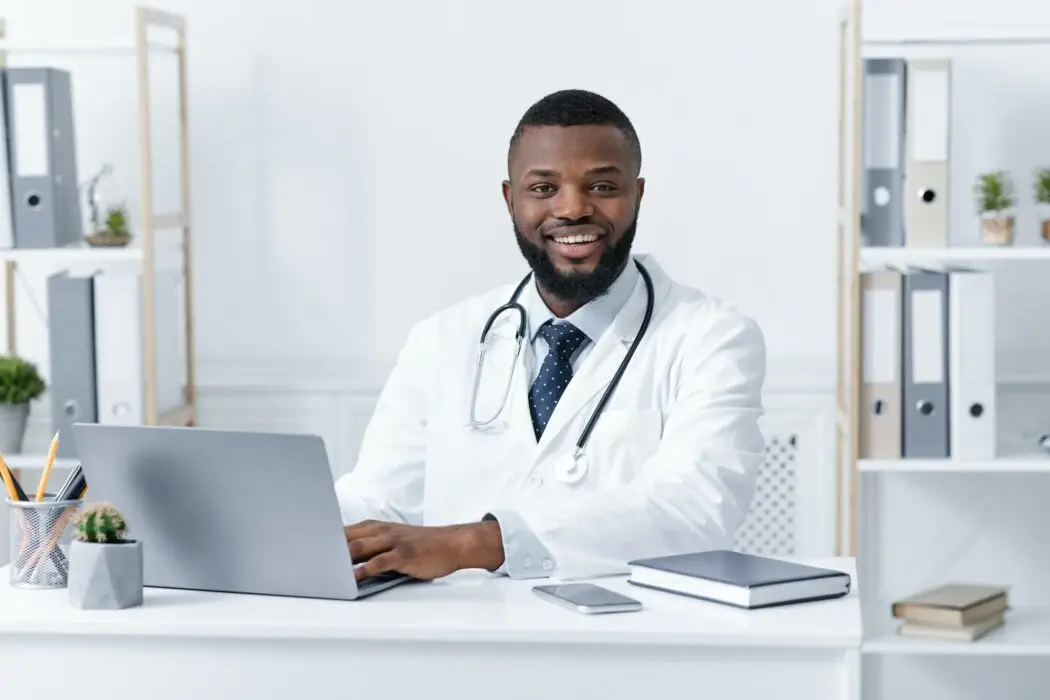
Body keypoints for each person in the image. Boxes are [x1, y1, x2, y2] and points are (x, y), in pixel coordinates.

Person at [336, 88, 767, 582]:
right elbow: (377, 499)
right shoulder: (441, 339)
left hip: (631, 643)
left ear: (638, 194)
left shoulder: (712, 337)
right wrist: (273, 524)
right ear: (509, 199)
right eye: (543, 189)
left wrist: (473, 543)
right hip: (456, 640)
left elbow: (695, 508)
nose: (572, 209)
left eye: (602, 187)